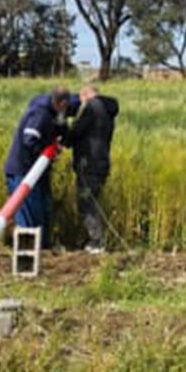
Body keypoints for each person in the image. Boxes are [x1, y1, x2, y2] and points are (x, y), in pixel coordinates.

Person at [3, 86, 78, 246]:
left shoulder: (54, 114)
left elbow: (63, 133)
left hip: (38, 173)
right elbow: (29, 140)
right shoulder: (40, 115)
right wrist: (47, 152)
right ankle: (27, 254)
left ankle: (42, 249)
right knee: (29, 217)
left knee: (42, 213)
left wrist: (62, 128)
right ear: (62, 104)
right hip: (24, 172)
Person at [68, 84, 119, 253]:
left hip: (88, 163)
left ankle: (96, 242)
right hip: (102, 161)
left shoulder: (91, 107)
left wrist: (65, 135)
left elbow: (76, 132)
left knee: (86, 202)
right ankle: (96, 240)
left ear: (85, 96)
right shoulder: (107, 110)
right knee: (93, 200)